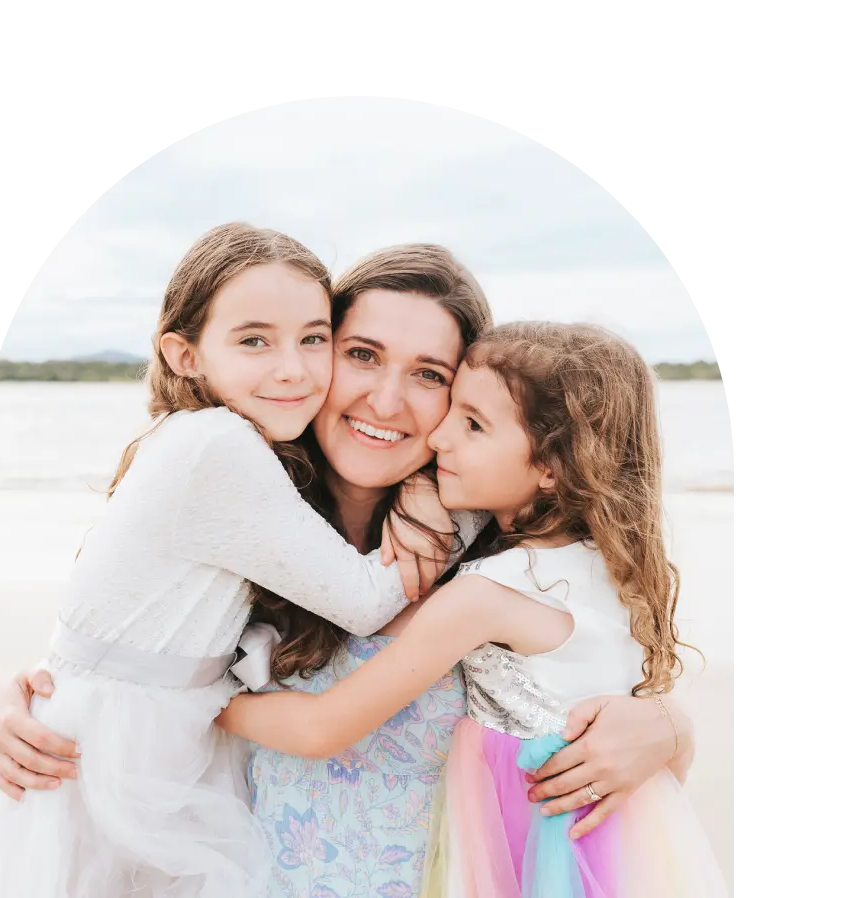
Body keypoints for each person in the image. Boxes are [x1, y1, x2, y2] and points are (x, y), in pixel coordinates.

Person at [0, 246, 698, 898]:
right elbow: (111, 644)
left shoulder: (493, 551)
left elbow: (588, 716)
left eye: (428, 376)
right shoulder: (243, 523)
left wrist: (667, 727)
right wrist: (5, 703)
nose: (386, 401)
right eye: (361, 354)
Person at [0, 223, 461, 898]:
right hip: (121, 766)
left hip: (153, 757)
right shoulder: (222, 451)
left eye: (313, 339)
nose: (293, 368)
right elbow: (361, 599)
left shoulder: (233, 456)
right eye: (254, 340)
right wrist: (439, 500)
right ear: (185, 355)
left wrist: (667, 724)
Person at [218, 321, 728, 897]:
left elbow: (321, 727)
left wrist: (209, 706)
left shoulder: (485, 594)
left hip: (525, 840)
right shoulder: (614, 568)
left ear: (551, 467)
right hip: (628, 847)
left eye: (473, 425)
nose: (439, 439)